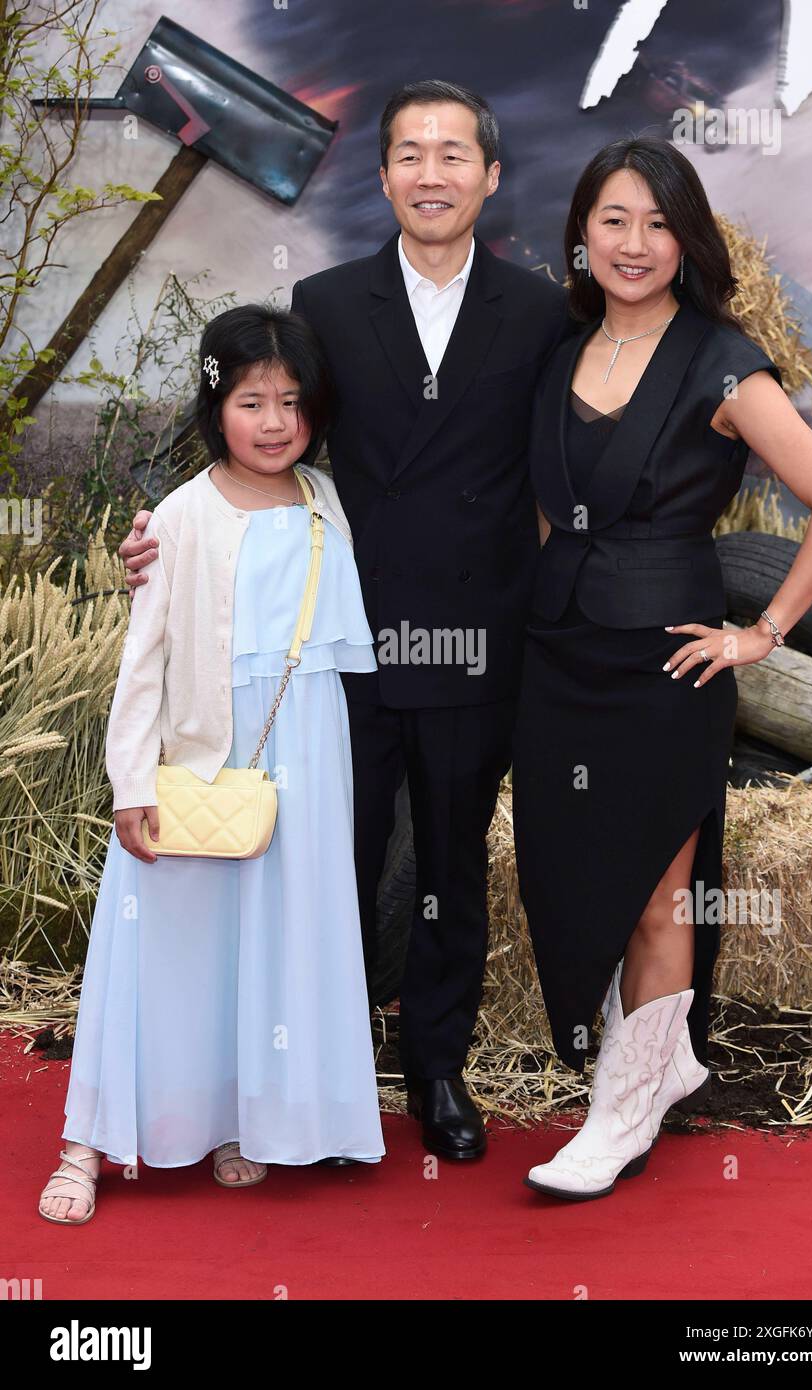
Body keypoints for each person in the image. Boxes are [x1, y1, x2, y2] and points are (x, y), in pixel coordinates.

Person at [119, 80, 574, 1162]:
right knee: (327, 867)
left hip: (474, 639)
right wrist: (166, 536)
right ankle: (315, 1083)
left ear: (490, 177)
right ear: (382, 178)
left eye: (453, 154)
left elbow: (563, 467)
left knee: (453, 870)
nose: (431, 173)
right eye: (409, 154)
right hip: (337, 647)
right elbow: (264, 451)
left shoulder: (542, 311)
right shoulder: (323, 302)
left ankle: (438, 1070)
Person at [512, 136, 812, 1201]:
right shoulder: (556, 351)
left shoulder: (723, 360)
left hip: (669, 667)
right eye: (614, 220)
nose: (634, 243)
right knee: (575, 879)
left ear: (687, 238)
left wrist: (762, 635)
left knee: (661, 892)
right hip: (559, 657)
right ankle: (661, 1060)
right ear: (583, 233)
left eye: (659, 223)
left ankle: (619, 1112)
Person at [38, 304, 385, 1224]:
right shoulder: (180, 516)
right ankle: (87, 1143)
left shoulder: (323, 498)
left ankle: (238, 1122)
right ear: (213, 408)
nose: (274, 422)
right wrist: (131, 785)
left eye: (291, 401)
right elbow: (141, 658)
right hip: (201, 754)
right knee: (158, 943)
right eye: (250, 401)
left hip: (306, 749)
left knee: (266, 943)